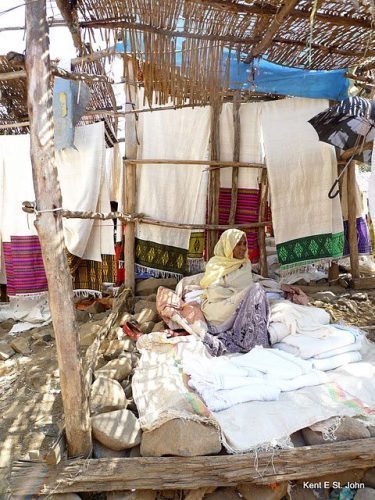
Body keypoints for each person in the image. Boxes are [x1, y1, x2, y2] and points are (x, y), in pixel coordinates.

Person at [200, 229, 308, 356]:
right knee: (256, 290)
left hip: (241, 302)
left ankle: (254, 336)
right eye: (238, 244)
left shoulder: (245, 264)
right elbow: (214, 291)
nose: (243, 248)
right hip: (221, 308)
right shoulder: (217, 265)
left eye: (244, 244)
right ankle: (253, 339)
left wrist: (279, 286)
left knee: (264, 293)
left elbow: (253, 279)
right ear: (228, 246)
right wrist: (242, 295)